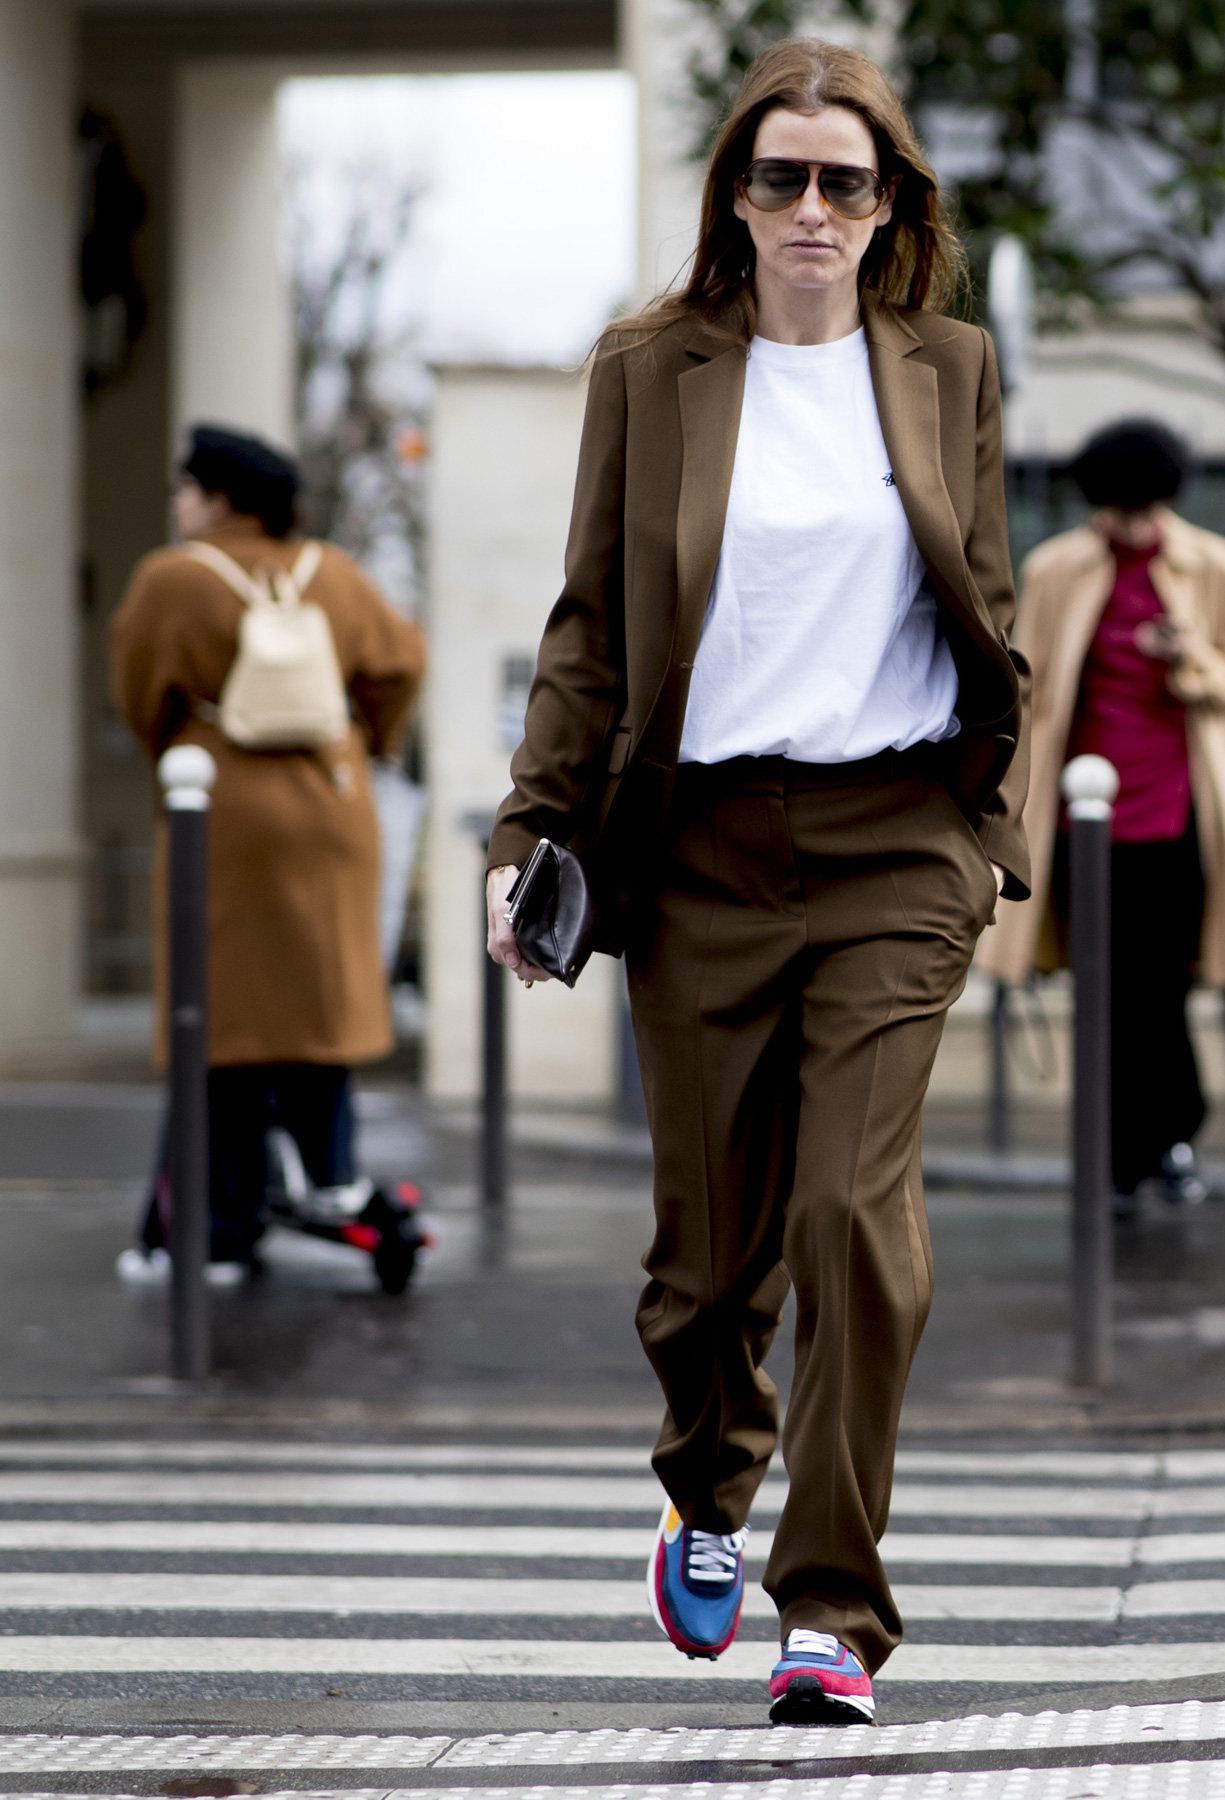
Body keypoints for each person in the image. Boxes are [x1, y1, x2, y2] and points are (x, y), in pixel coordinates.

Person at [482, 41, 1024, 1726]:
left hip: (895, 845)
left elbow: (982, 594)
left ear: (889, 207)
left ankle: (833, 1607)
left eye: (843, 183)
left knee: (852, 1218)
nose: (810, 208)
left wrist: (989, 812)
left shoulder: (948, 368)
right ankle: (707, 1469)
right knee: (707, 1263)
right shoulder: (653, 370)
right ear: (733, 193)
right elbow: (591, 622)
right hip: (702, 854)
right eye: (779, 177)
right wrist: (530, 832)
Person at [108, 424, 426, 1280]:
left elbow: (139, 687)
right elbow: (401, 665)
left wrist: (185, 746)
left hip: (225, 816)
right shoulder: (335, 573)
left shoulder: (175, 578)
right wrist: (365, 743)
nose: (178, 504)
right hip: (333, 804)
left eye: (186, 489)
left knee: (218, 1023)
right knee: (315, 1013)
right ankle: (330, 1178)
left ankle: (210, 1229)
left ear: (217, 497)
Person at [975, 420, 1225, 1216]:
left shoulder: (1218, 569)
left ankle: (1171, 1138)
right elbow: (1025, 684)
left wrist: (1193, 658)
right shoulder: (1056, 570)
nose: (1128, 528)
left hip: (1181, 815)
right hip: (1083, 819)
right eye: (1115, 512)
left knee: (1166, 989)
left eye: (1142, 511)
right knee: (1102, 989)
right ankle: (1116, 1155)